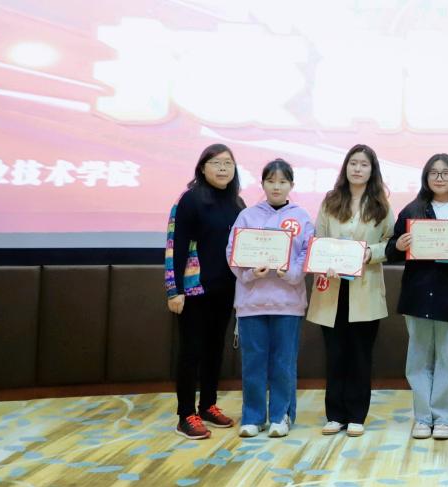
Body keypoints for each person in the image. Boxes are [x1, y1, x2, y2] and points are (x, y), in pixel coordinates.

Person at [385, 154, 448, 441]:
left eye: (445, 173)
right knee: (418, 361)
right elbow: (392, 250)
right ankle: (422, 417)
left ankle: (443, 418)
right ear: (426, 177)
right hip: (418, 295)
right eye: (433, 173)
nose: (439, 178)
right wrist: (399, 244)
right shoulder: (412, 210)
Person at [306, 144, 395, 438]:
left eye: (364, 164)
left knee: (360, 354)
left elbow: (392, 242)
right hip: (331, 287)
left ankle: (356, 415)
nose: (357, 169)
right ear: (345, 167)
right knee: (335, 354)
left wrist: (372, 253)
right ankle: (335, 415)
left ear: (372, 170)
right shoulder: (330, 200)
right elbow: (318, 238)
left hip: (364, 288)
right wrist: (323, 261)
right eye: (353, 163)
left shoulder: (381, 204)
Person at [227, 158, 313, 438]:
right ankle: (253, 418)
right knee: (253, 362)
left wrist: (291, 273)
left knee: (283, 363)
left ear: (291, 185)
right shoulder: (247, 216)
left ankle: (281, 416)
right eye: (271, 181)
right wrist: (251, 273)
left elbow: (306, 253)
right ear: (262, 184)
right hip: (251, 303)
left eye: (282, 181)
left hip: (288, 303)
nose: (276, 187)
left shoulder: (302, 217)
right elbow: (232, 253)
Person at [164, 143, 246, 439]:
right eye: (216, 163)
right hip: (194, 290)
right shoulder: (190, 200)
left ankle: (208, 405)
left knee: (214, 349)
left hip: (225, 289)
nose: (223, 168)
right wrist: (173, 290)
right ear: (202, 167)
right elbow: (175, 245)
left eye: (228, 163)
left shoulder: (238, 203)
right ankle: (186, 414)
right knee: (191, 351)